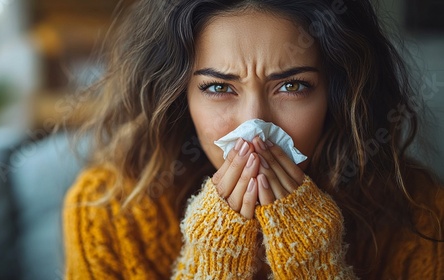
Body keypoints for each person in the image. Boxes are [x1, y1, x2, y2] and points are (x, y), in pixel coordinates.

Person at [63, 0, 444, 279]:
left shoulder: (417, 211)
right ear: (179, 97)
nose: (254, 125)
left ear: (337, 94)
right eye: (218, 87)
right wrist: (213, 263)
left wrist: (313, 266)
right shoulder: (108, 210)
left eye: (292, 86)